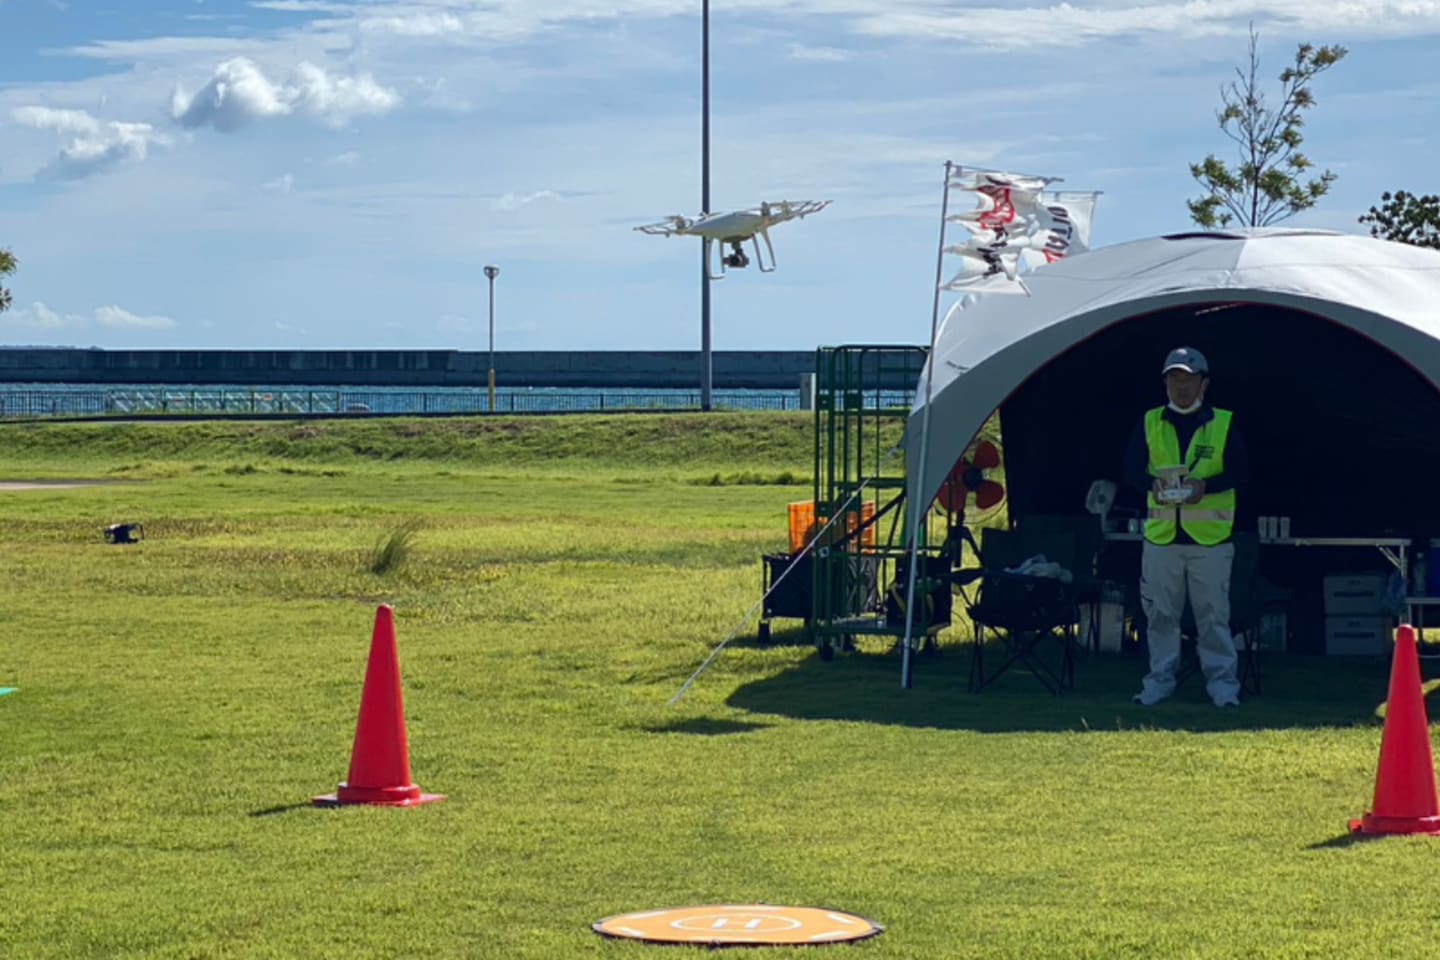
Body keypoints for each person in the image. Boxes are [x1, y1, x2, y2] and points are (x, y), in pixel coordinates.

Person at [1123, 346, 1250, 707]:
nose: (1182, 386)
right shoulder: (1150, 421)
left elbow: (1241, 472)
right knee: (1160, 615)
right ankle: (1159, 681)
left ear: (1204, 384)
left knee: (1213, 616)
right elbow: (1131, 469)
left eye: (1189, 379)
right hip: (1162, 536)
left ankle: (1223, 686)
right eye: (1175, 378)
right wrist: (1151, 486)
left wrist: (1204, 487)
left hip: (1210, 538)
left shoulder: (1223, 422)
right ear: (1165, 383)